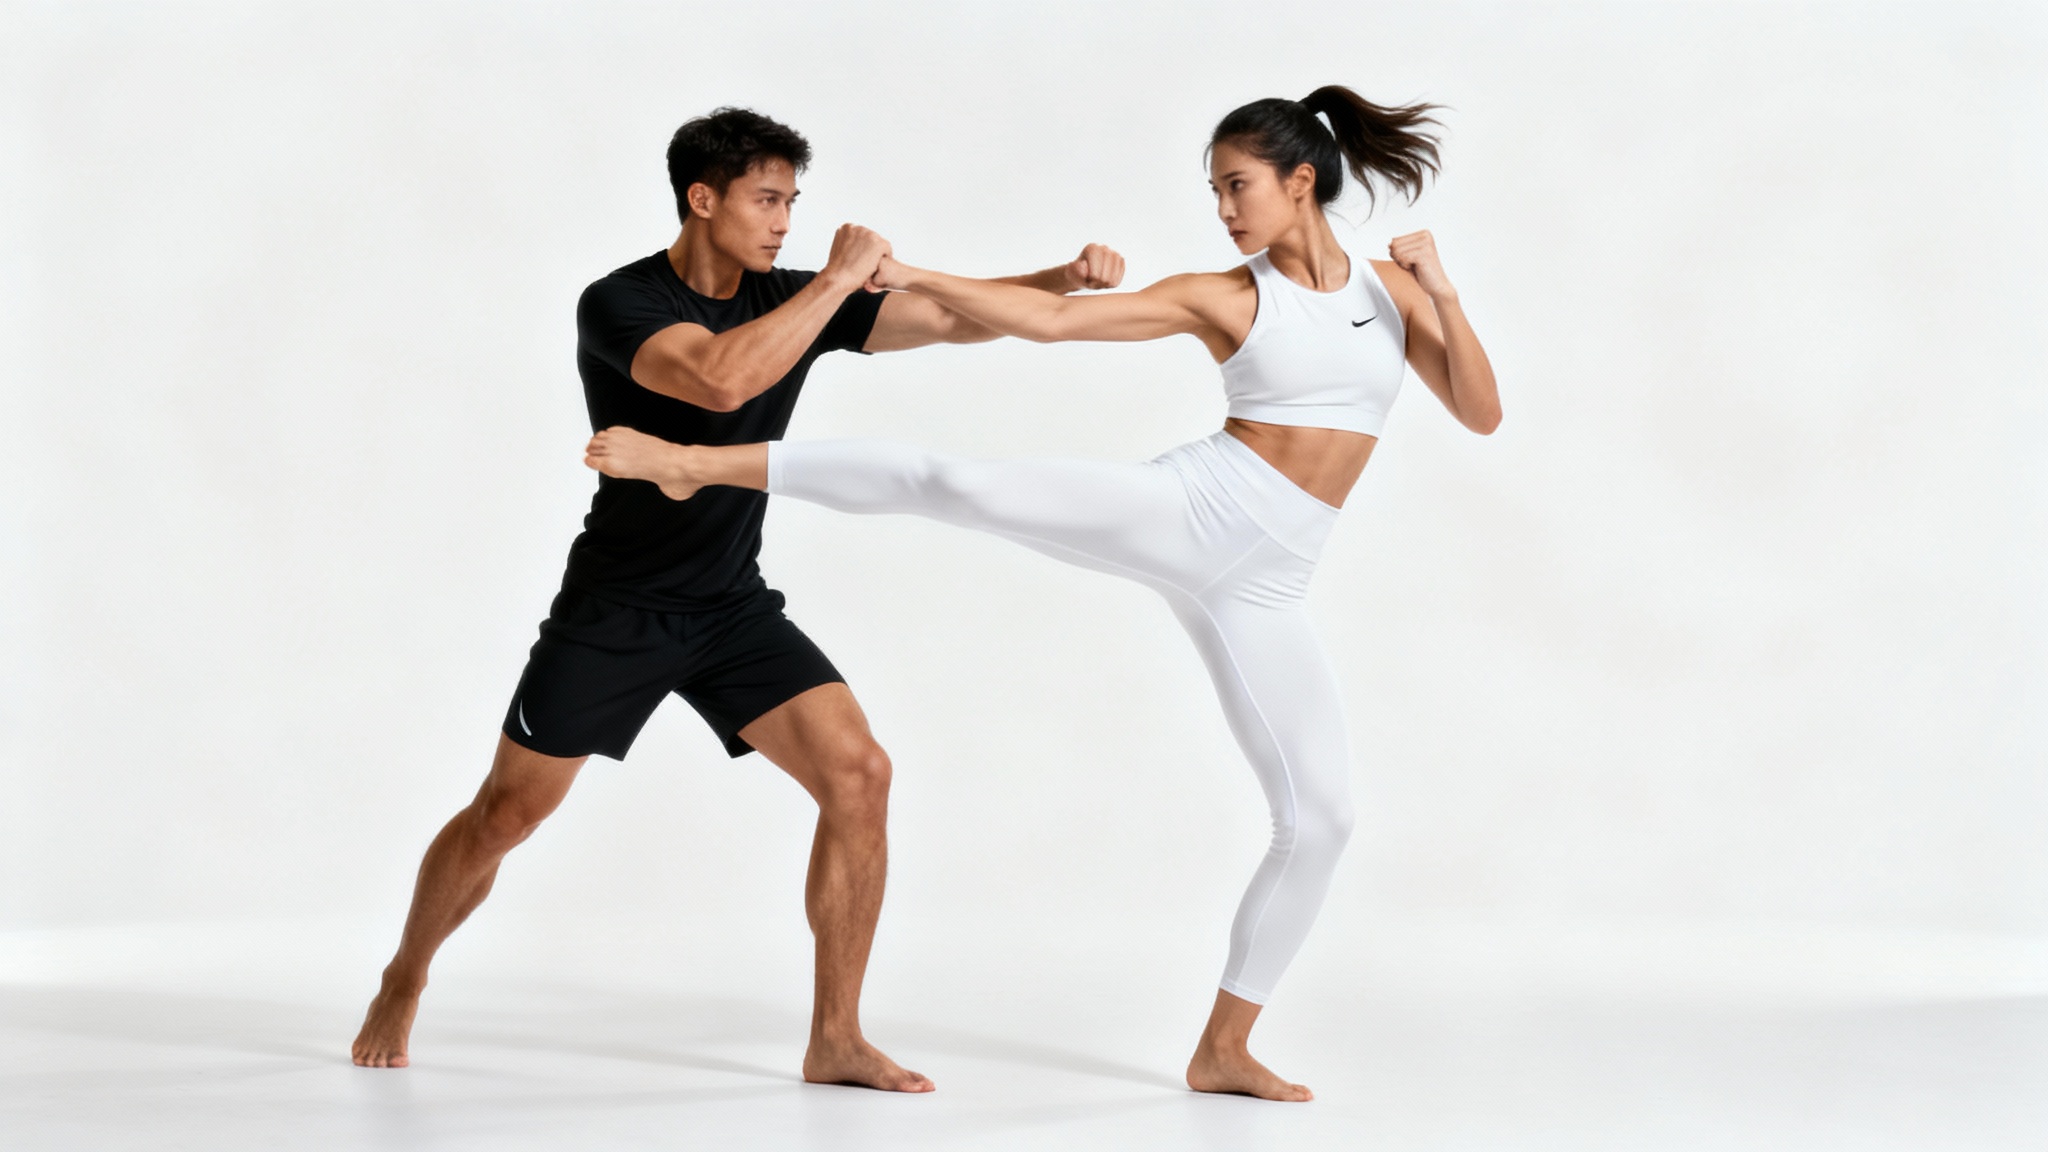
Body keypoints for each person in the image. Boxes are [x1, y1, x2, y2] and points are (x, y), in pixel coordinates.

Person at [582, 86, 1501, 1102]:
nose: (1223, 209)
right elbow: (1056, 325)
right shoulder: (1223, 293)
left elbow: (1478, 411)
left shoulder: (1394, 292)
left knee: (1321, 820)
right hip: (1191, 509)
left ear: (1299, 181)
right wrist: (917, 274)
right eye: (1213, 192)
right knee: (957, 483)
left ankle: (1223, 1048)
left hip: (1271, 584)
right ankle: (695, 465)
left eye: (1236, 187)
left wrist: (1445, 294)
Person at [350, 106, 1124, 1092]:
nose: (783, 222)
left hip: (730, 607)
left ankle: (834, 1034)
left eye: (791, 202)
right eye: (765, 199)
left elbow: (943, 319)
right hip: (616, 607)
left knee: (860, 775)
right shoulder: (619, 302)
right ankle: (404, 975)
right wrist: (839, 282)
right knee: (507, 814)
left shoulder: (790, 294)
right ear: (700, 197)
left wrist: (1051, 284)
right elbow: (720, 381)